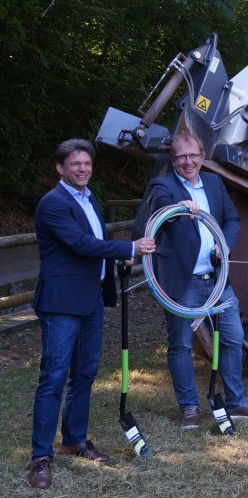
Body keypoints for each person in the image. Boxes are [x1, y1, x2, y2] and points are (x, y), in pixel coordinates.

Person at [29, 139, 157, 489]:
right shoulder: (53, 203)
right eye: (75, 164)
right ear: (60, 167)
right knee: (53, 378)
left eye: (87, 163)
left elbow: (95, 243)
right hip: (61, 305)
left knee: (84, 375)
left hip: (90, 303)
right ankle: (41, 457)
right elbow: (80, 245)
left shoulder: (89, 199)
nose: (83, 169)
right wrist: (129, 246)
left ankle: (74, 439)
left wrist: (118, 256)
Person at [147, 131, 248, 429]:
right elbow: (162, 211)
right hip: (182, 281)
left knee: (232, 337)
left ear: (202, 157)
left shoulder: (214, 184)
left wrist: (225, 244)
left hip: (216, 278)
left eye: (193, 156)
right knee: (179, 344)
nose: (188, 162)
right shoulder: (164, 185)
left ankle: (237, 402)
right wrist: (180, 208)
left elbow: (231, 220)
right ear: (173, 160)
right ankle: (189, 408)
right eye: (180, 157)